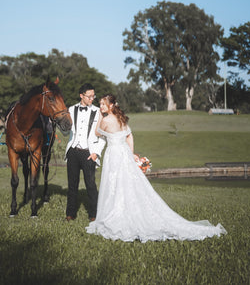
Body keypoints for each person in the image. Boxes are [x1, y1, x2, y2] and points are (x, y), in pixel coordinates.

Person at [86, 94, 227, 242]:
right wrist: (132, 153)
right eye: (100, 104)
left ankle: (117, 214)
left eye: (103, 104)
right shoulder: (122, 119)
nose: (101, 107)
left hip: (114, 154)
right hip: (124, 153)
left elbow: (97, 133)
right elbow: (129, 136)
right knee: (128, 184)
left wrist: (100, 117)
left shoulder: (107, 120)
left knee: (115, 183)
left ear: (112, 105)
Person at [65, 83, 106, 221]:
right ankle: (70, 214)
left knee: (90, 184)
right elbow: (66, 131)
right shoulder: (70, 109)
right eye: (89, 96)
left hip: (89, 153)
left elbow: (103, 137)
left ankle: (94, 215)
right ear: (81, 96)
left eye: (93, 96)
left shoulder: (98, 112)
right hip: (73, 152)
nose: (92, 99)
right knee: (72, 184)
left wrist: (96, 153)